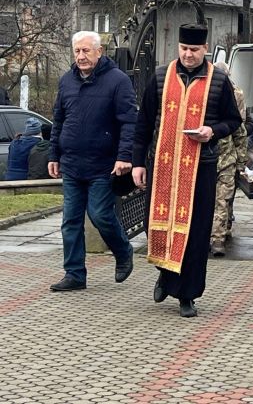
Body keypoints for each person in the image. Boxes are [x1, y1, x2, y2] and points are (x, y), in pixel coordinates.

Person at [132, 24, 242, 318]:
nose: (188, 55)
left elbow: (234, 121)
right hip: (163, 163)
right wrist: (138, 163)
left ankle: (187, 295)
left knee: (194, 232)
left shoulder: (218, 80)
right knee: (154, 224)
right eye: (184, 49)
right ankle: (165, 275)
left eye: (194, 50)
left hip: (201, 167)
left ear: (205, 49)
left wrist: (212, 130)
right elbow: (143, 124)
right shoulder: (159, 76)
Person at [48, 31, 138, 292]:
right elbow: (59, 120)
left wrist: (124, 157)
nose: (81, 56)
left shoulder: (118, 81)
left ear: (100, 52)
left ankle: (123, 251)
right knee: (71, 221)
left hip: (103, 164)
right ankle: (74, 273)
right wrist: (54, 155)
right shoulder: (67, 81)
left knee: (99, 214)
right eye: (77, 51)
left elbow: (128, 122)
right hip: (72, 163)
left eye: (86, 51)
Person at [210, 61, 249, 257]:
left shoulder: (233, 100)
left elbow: (240, 134)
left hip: (226, 161)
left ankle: (218, 239)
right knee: (208, 202)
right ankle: (211, 233)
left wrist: (241, 163)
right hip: (205, 162)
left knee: (222, 200)